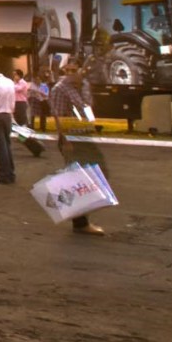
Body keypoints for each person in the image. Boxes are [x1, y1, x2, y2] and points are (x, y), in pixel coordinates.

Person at [50, 62, 106, 236]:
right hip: (70, 137)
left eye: (74, 70)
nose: (70, 73)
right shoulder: (60, 88)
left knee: (95, 172)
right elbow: (58, 115)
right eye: (67, 70)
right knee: (79, 178)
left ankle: (75, 212)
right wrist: (65, 140)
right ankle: (80, 222)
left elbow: (87, 108)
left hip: (83, 135)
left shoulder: (85, 86)